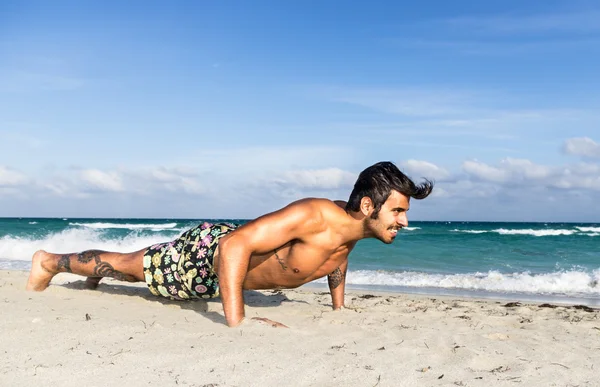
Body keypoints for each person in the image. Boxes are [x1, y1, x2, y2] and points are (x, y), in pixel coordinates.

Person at [26, 161, 433, 327]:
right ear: (367, 205)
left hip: (220, 258)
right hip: (208, 256)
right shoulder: (313, 215)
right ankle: (49, 261)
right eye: (397, 211)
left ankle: (84, 272)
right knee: (132, 268)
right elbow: (235, 246)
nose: (403, 220)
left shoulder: (352, 230)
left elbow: (335, 259)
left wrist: (339, 308)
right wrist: (235, 322)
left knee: (131, 266)